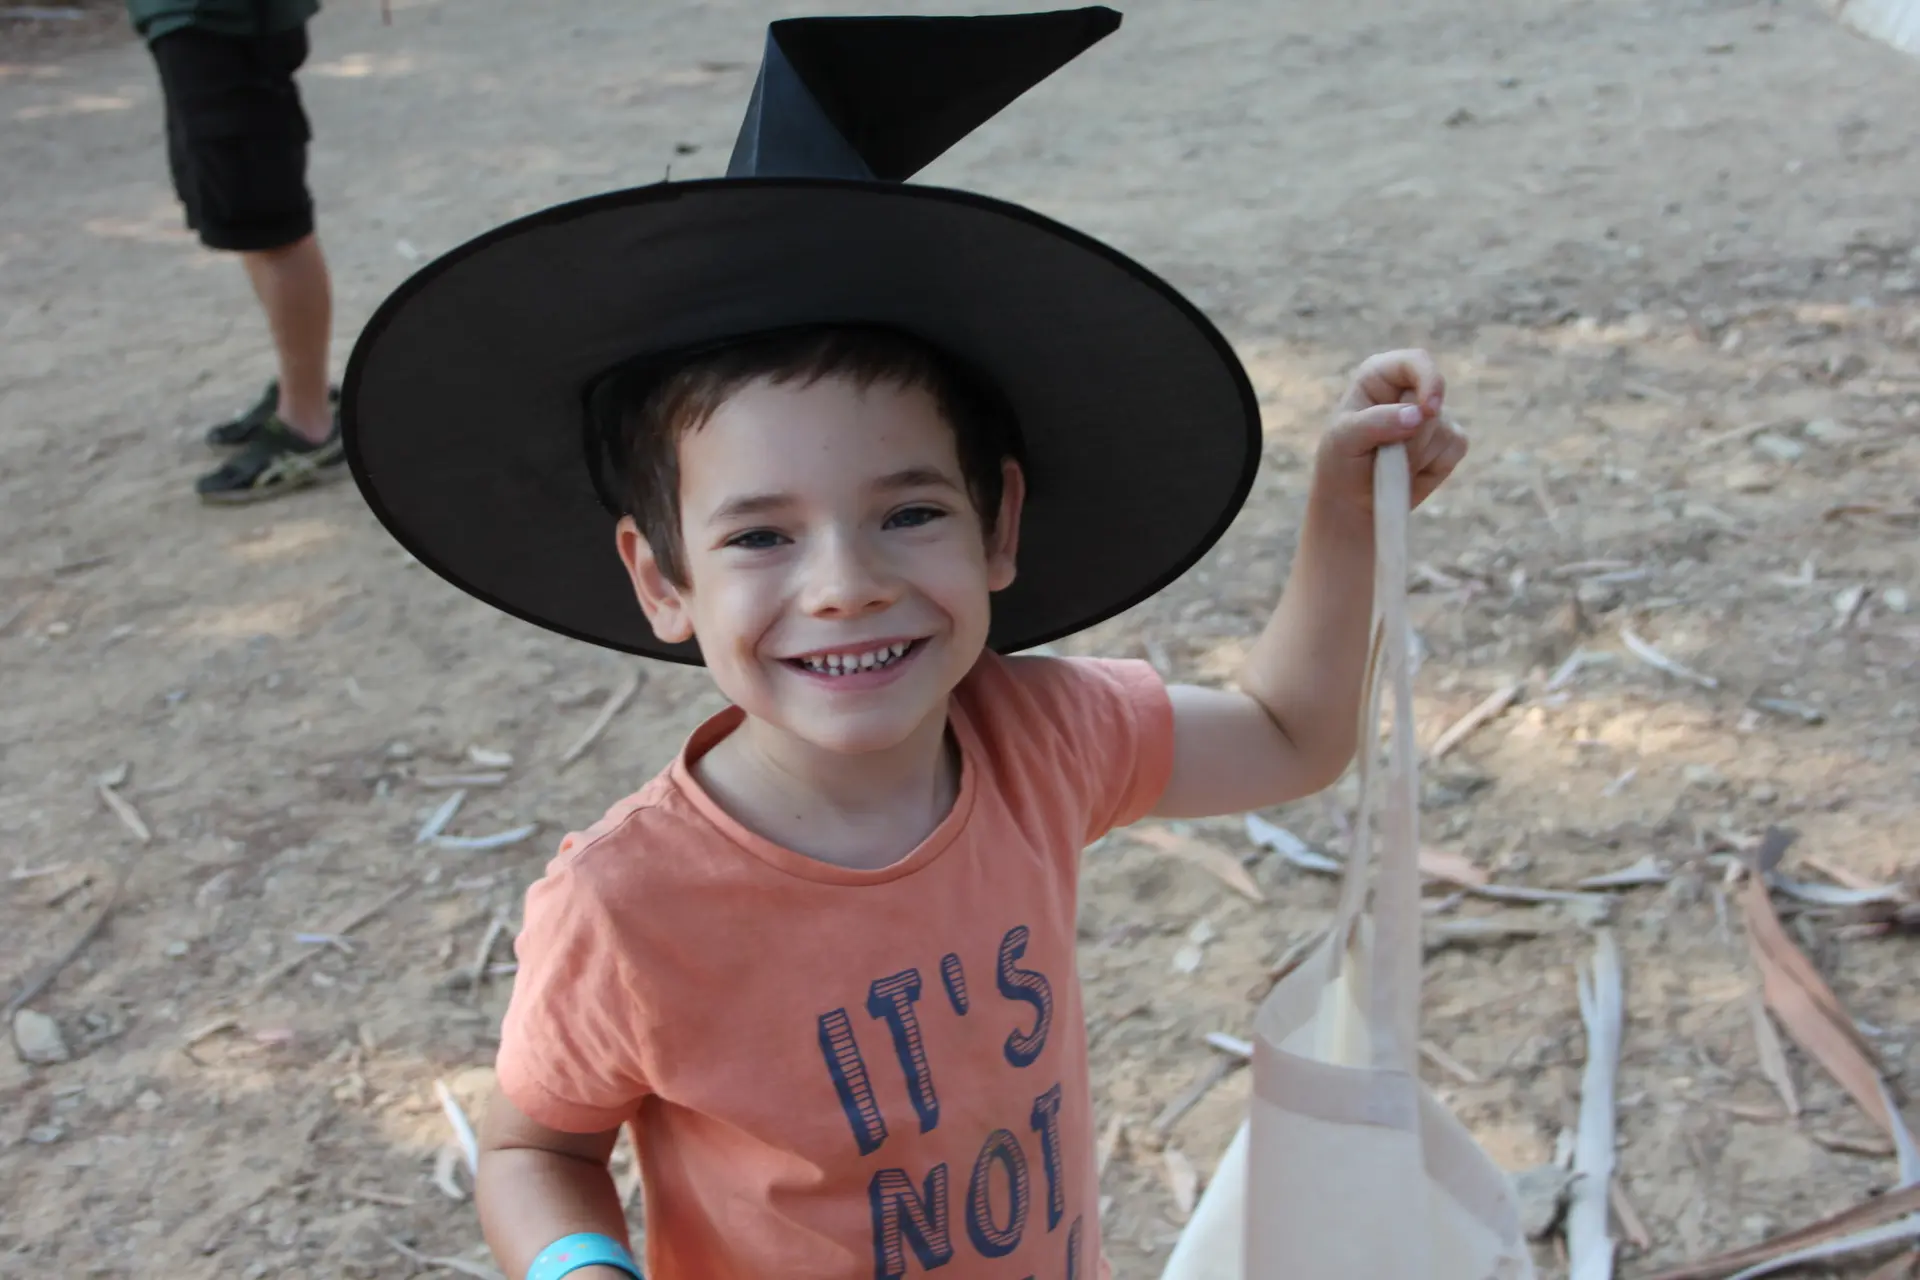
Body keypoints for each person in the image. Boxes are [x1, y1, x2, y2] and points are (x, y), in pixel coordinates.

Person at [338, 10, 1466, 1279]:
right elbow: (535, 1148)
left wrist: (1343, 507)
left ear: (1000, 527)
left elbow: (1288, 734)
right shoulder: (629, 903)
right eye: (761, 536)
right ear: (662, 579)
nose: (846, 585)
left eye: (911, 512)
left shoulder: (1042, 737)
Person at [128, 0, 342, 504]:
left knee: (270, 221)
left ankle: (308, 422)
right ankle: (300, 390)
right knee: (241, 221)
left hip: (224, 18)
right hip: (187, 19)